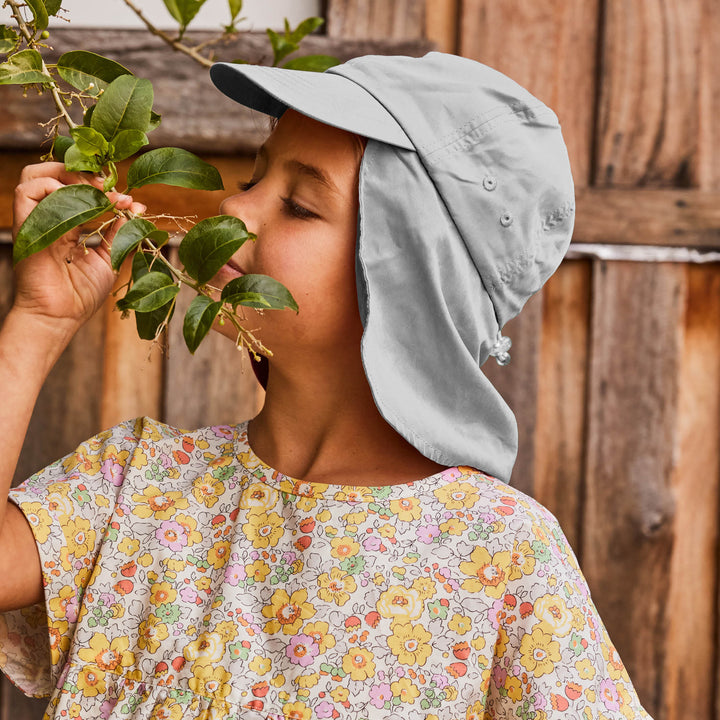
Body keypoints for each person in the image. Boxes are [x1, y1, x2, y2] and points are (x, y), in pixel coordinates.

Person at [0, 51, 653, 719]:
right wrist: (38, 323)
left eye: (301, 205)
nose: (233, 205)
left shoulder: (500, 554)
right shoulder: (138, 484)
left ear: (403, 287)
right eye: (255, 175)